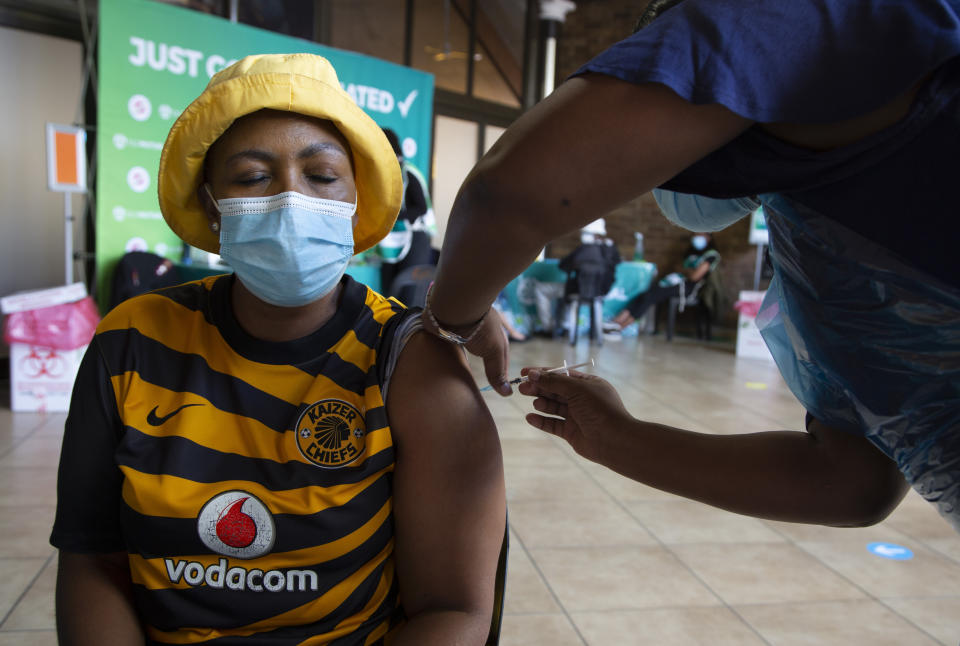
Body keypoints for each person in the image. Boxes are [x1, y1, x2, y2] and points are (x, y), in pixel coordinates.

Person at [421, 0, 960, 532]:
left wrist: (456, 318)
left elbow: (508, 193)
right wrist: (617, 438)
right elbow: (853, 483)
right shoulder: (822, 221)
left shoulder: (814, 19)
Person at [50, 54, 506, 645]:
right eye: (251, 177)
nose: (292, 199)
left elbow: (455, 609)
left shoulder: (407, 358)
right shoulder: (134, 341)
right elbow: (92, 562)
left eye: (321, 176)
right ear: (212, 206)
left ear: (355, 201)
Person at [611, 232, 718, 329]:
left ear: (708, 237)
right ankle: (621, 318)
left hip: (688, 287)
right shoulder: (691, 252)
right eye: (695, 235)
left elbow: (695, 277)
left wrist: (686, 271)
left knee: (652, 294)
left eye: (700, 235)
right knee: (649, 291)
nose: (696, 237)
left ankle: (623, 324)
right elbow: (678, 267)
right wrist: (689, 271)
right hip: (676, 281)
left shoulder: (711, 255)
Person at [378, 128, 436, 297]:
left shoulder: (409, 173)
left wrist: (394, 216)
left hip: (414, 240)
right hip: (390, 241)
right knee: (388, 294)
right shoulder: (383, 175)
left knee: (409, 295)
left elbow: (421, 208)